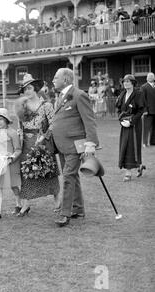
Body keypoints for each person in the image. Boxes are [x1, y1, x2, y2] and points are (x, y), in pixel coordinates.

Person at [51, 68, 99, 227]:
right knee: (72, 176)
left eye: (56, 77)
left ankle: (65, 213)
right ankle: (78, 208)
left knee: (68, 176)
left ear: (65, 80)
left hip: (75, 145)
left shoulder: (79, 95)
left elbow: (89, 121)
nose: (53, 80)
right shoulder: (60, 96)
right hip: (62, 145)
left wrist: (91, 143)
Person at [15, 74, 61, 217]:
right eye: (24, 89)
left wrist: (44, 136)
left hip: (43, 142)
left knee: (48, 170)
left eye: (29, 88)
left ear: (35, 89)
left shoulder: (46, 105)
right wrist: (19, 136)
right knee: (26, 172)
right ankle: (26, 204)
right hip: (26, 143)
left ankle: (57, 200)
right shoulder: (22, 106)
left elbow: (54, 123)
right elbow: (20, 126)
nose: (27, 91)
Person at [115, 74, 145, 181]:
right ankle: (137, 166)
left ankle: (129, 172)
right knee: (125, 146)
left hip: (135, 125)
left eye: (128, 81)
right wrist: (121, 120)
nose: (125, 83)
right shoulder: (122, 94)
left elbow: (141, 110)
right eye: (124, 81)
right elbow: (118, 109)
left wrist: (131, 121)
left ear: (133, 83)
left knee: (133, 146)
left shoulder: (138, 94)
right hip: (124, 125)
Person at [141, 72, 155, 147]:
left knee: (154, 128)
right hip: (148, 111)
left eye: (152, 76)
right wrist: (144, 110)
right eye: (149, 76)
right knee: (146, 128)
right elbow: (143, 100)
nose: (151, 77)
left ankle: (153, 142)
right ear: (147, 78)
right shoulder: (144, 87)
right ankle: (144, 143)